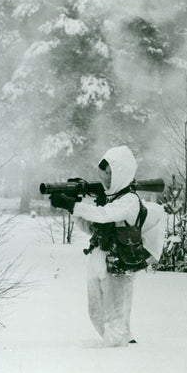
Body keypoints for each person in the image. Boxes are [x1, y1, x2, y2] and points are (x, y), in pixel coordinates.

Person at [50, 145, 144, 347]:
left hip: (118, 263)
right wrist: (74, 207)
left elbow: (104, 215)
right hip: (98, 259)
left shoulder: (129, 200)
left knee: (115, 316)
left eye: (111, 172)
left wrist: (73, 205)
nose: (106, 177)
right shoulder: (110, 198)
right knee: (95, 312)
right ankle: (118, 344)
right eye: (105, 173)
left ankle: (118, 354)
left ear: (122, 172)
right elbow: (93, 227)